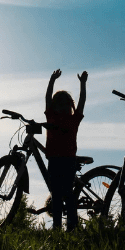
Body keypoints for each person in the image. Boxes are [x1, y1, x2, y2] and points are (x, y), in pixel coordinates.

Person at [44, 68, 88, 231]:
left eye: (66, 104)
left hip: (67, 160)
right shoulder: (52, 117)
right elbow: (47, 98)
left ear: (71, 106)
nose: (63, 107)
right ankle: (57, 226)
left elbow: (82, 101)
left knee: (67, 194)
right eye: (60, 104)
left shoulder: (72, 119)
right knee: (57, 195)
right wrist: (52, 81)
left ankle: (71, 226)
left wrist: (83, 85)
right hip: (55, 160)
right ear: (55, 106)